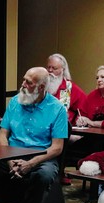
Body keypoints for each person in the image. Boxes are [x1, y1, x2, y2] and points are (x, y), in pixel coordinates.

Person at [0, 67, 69, 203]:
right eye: (24, 80)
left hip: (41, 156)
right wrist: (9, 159)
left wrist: (30, 164)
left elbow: (57, 147)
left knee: (43, 176)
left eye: (29, 82)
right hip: (11, 153)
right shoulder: (15, 102)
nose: (23, 85)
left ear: (41, 87)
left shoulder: (57, 109)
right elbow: (2, 135)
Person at [45, 53, 87, 185]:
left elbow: (84, 110)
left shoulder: (70, 88)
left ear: (63, 70)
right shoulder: (41, 85)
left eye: (54, 68)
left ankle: (57, 172)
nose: (50, 71)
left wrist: (79, 122)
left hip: (62, 130)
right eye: (48, 68)